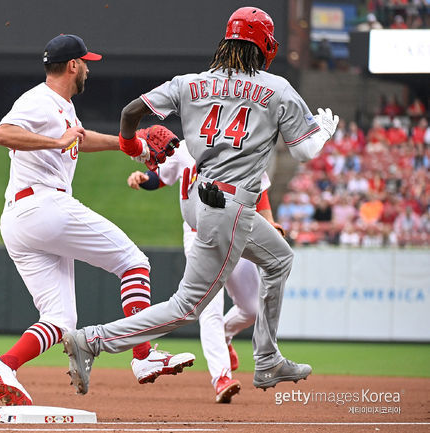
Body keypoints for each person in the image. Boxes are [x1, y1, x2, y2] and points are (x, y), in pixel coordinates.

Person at [62, 7, 339, 395]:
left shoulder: (190, 82)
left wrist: (129, 144)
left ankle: (267, 359)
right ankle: (92, 340)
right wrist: (324, 130)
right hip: (229, 205)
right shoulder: (276, 88)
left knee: (279, 259)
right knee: (186, 307)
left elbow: (130, 111)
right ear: (263, 45)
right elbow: (307, 152)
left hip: (199, 198)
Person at [0, 34, 194, 406]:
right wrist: (56, 143)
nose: (89, 69)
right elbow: (2, 133)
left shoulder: (60, 107)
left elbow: (78, 138)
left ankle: (4, 364)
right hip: (44, 205)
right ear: (73, 65)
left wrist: (131, 144)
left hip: (20, 220)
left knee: (61, 321)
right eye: (87, 63)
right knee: (134, 263)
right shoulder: (38, 100)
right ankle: (142, 358)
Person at [127, 142, 280, 403]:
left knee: (254, 309)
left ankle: (226, 334)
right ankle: (221, 377)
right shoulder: (184, 148)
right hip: (200, 237)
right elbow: (161, 177)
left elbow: (259, 191)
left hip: (237, 233)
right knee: (210, 309)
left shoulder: (243, 146)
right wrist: (144, 179)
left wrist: (269, 222)